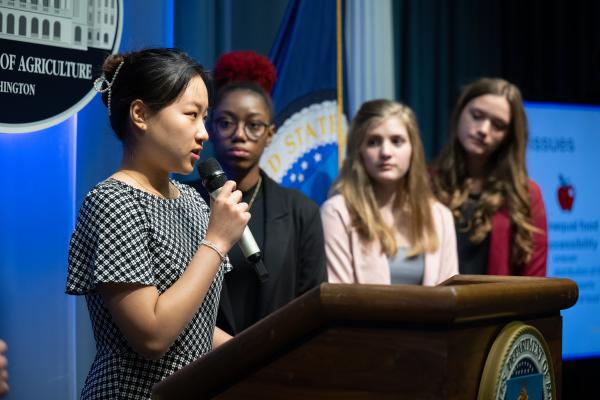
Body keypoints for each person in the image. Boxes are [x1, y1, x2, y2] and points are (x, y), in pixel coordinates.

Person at [66, 48, 249, 399]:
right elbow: (152, 336)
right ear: (140, 114)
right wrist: (217, 241)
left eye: (205, 118)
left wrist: (259, 351)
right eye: (191, 115)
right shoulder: (113, 200)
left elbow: (193, 326)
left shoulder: (193, 200)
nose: (204, 133)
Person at [190, 51, 327, 335]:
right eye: (226, 123)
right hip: (198, 366)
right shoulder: (181, 200)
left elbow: (313, 303)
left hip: (277, 363)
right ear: (210, 128)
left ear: (271, 133)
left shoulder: (301, 210)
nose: (239, 134)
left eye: (253, 125)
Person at [321, 99, 458, 285]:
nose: (386, 152)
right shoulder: (337, 212)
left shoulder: (440, 217)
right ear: (358, 151)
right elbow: (337, 297)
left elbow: (450, 295)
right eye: (373, 142)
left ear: (413, 149)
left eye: (397, 141)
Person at [433, 77, 547, 276]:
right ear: (459, 113)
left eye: (498, 125)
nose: (483, 130)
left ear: (508, 137)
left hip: (499, 307)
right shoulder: (426, 182)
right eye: (476, 115)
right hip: (434, 304)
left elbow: (535, 280)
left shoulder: (526, 194)